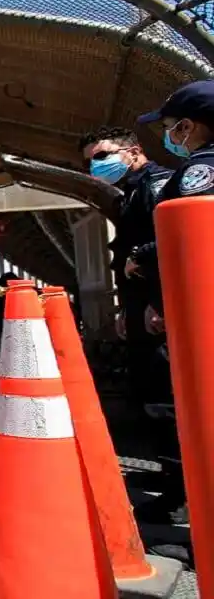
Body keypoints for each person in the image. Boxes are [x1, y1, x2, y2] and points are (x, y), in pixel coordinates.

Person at [125, 79, 214, 525]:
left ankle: (192, 507)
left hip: (199, 313)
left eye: (169, 128)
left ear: (188, 125)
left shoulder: (202, 171)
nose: (167, 136)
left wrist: (143, 259)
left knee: (181, 406)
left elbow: (188, 234)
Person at [79, 126, 171, 414]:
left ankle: (178, 458)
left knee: (165, 392)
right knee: (148, 386)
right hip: (139, 305)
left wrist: (160, 303)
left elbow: (172, 244)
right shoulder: (129, 194)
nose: (95, 164)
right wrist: (125, 308)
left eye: (103, 155)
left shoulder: (159, 186)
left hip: (158, 309)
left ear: (134, 152)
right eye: (89, 161)